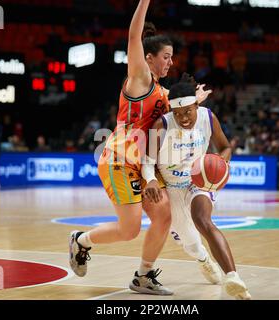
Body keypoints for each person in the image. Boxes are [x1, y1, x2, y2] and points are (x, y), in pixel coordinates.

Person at [68, 0, 211, 296]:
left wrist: (195, 99)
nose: (171, 62)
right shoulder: (140, 78)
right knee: (130, 229)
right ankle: (81, 241)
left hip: (145, 164)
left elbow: (179, 108)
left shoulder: (163, 90)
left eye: (172, 57)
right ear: (148, 58)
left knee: (164, 215)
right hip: (120, 160)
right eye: (166, 57)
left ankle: (143, 276)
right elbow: (133, 36)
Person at [141, 74, 251, 299]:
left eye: (188, 112)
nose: (183, 118)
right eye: (178, 114)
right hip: (171, 186)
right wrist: (150, 179)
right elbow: (147, 162)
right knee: (191, 244)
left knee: (203, 220)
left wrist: (221, 162)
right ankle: (203, 258)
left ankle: (233, 277)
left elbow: (225, 147)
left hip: (198, 180)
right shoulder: (160, 125)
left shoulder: (208, 118)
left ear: (196, 105)